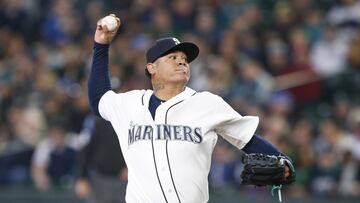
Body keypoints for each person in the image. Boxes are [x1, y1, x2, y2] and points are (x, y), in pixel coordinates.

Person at [88, 14, 293, 203]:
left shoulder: (206, 104)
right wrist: (101, 45)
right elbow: (99, 98)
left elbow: (248, 140)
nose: (181, 62)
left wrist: (282, 160)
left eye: (184, 59)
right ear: (152, 68)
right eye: (172, 58)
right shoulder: (130, 104)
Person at [75, 118, 127, 203]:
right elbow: (85, 151)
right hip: (100, 179)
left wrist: (132, 169)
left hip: (124, 181)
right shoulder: (97, 123)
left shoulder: (129, 118)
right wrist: (82, 177)